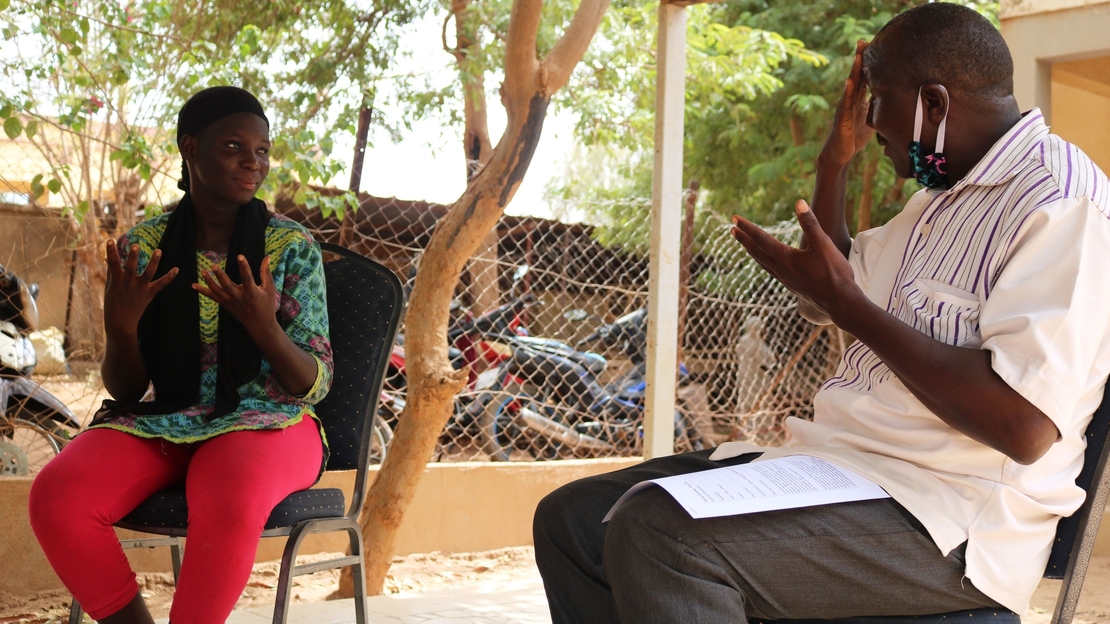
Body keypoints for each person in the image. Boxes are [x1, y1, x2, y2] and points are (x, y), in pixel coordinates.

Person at [532, 4, 1110, 622]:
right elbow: (831, 294)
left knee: (663, 537)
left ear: (934, 105)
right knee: (572, 520)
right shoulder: (937, 204)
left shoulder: (1062, 203)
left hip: (951, 517)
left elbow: (1023, 429)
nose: (871, 122)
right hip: (841, 469)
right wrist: (834, 163)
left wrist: (850, 308)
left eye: (879, 101)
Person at [29, 86, 333, 624]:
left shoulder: (290, 248)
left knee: (230, 492)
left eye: (262, 150)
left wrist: (265, 329)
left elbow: (315, 383)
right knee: (59, 497)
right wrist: (121, 330)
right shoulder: (140, 249)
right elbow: (125, 391)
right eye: (234, 145)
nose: (252, 162)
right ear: (191, 148)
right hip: (167, 417)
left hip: (269, 421)